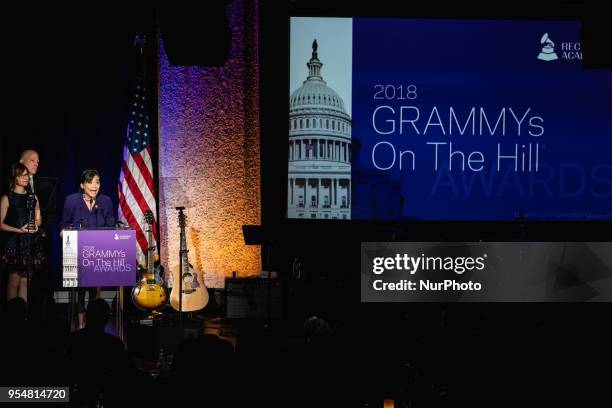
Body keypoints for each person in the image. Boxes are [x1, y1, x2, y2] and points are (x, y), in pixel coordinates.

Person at [60, 169, 115, 329]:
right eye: (90, 182)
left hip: (99, 251)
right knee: (81, 289)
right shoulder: (71, 200)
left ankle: (95, 323)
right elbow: (64, 223)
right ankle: (81, 323)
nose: (94, 186)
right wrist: (64, 232)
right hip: (78, 250)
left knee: (96, 288)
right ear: (82, 185)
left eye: (97, 182)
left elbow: (111, 225)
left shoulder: (106, 201)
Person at [18, 149, 57, 322]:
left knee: (33, 278)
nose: (36, 164)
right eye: (32, 160)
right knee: (15, 277)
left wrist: (43, 229)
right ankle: (15, 316)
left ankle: (33, 315)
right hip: (18, 236)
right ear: (22, 161)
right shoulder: (12, 183)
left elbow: (48, 211)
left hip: (38, 238)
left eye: (38, 161)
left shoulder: (45, 184)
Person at [1, 163, 45, 302]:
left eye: (27, 175)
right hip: (14, 242)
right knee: (14, 280)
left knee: (26, 280)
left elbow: (38, 217)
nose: (26, 178)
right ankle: (12, 316)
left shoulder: (33, 197)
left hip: (30, 241)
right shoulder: (7, 198)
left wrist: (36, 225)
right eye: (23, 175)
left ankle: (23, 316)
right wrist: (18, 230)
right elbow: (1, 224)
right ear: (15, 177)